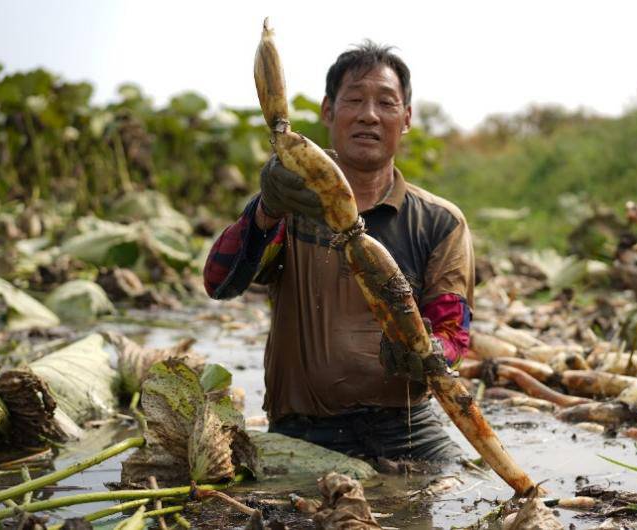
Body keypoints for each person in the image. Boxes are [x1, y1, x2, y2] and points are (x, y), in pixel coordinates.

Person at [203, 41, 474, 462]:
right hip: (304, 432)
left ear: (406, 119)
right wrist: (266, 209)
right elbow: (219, 283)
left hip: (408, 428)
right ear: (328, 111)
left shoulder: (440, 221)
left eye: (386, 102)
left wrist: (428, 351)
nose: (369, 114)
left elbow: (454, 333)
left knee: (467, 488)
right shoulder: (290, 201)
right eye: (354, 100)